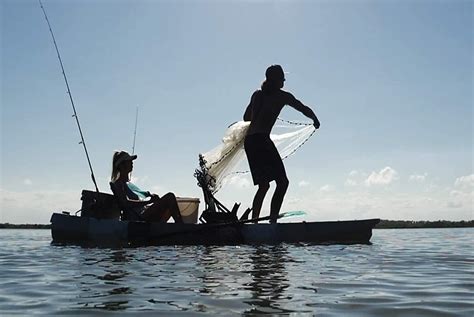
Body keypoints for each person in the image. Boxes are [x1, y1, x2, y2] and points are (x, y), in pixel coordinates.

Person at [243, 65, 320, 223]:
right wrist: (315, 119)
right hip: (261, 139)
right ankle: (272, 222)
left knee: (264, 186)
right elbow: (302, 108)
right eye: (282, 77)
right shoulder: (282, 96)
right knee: (282, 182)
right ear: (275, 79)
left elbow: (245, 118)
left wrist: (261, 112)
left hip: (250, 141)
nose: (284, 80)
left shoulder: (257, 94)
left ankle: (254, 222)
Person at [110, 150, 183, 223]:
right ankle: (181, 227)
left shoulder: (128, 185)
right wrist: (149, 201)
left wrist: (152, 199)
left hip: (143, 214)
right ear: (121, 165)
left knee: (171, 202)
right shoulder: (118, 184)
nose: (132, 162)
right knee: (170, 197)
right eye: (128, 161)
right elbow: (126, 203)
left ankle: (178, 227)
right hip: (137, 219)